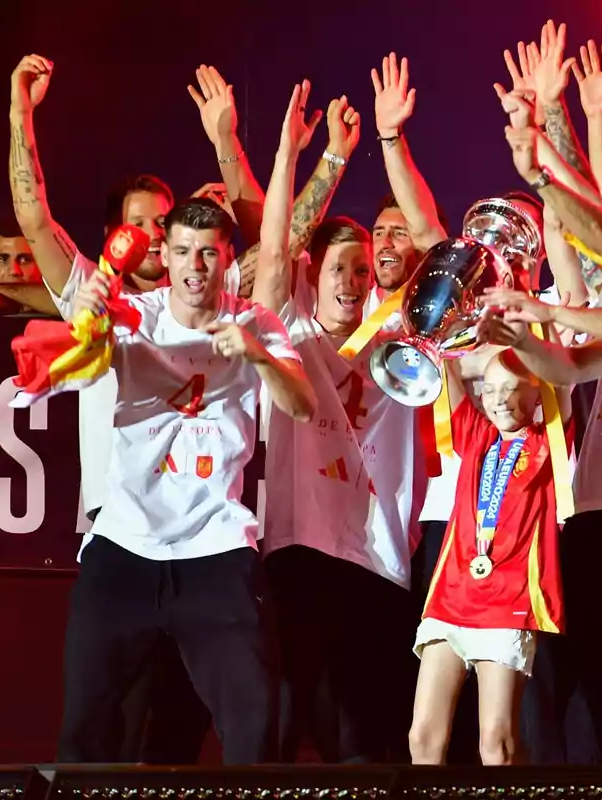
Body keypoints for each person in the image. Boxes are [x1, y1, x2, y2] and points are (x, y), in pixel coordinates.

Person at [55, 196, 316, 765]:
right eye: (181, 252)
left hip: (215, 546)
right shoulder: (134, 315)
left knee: (254, 721)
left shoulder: (256, 321)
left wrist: (258, 355)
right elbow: (84, 365)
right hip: (125, 543)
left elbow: (301, 405)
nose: (194, 265)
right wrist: (92, 318)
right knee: (85, 721)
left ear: (227, 259)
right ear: (164, 258)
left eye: (207, 253)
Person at [249, 86, 424, 765]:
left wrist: (389, 142)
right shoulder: (291, 332)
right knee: (288, 724)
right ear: (311, 277)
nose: (351, 280)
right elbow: (273, 253)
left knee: (366, 741)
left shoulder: (403, 338)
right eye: (335, 269)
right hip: (302, 551)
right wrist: (307, 155)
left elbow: (428, 240)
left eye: (360, 268)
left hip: (380, 559)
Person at [409, 350, 572, 766]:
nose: (499, 399)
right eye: (491, 389)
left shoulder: (547, 443)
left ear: (538, 393)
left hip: (507, 605)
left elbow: (560, 378)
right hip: (451, 598)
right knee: (423, 737)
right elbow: (445, 367)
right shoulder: (478, 436)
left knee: (495, 744)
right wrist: (442, 333)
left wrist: (537, 334)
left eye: (513, 388)